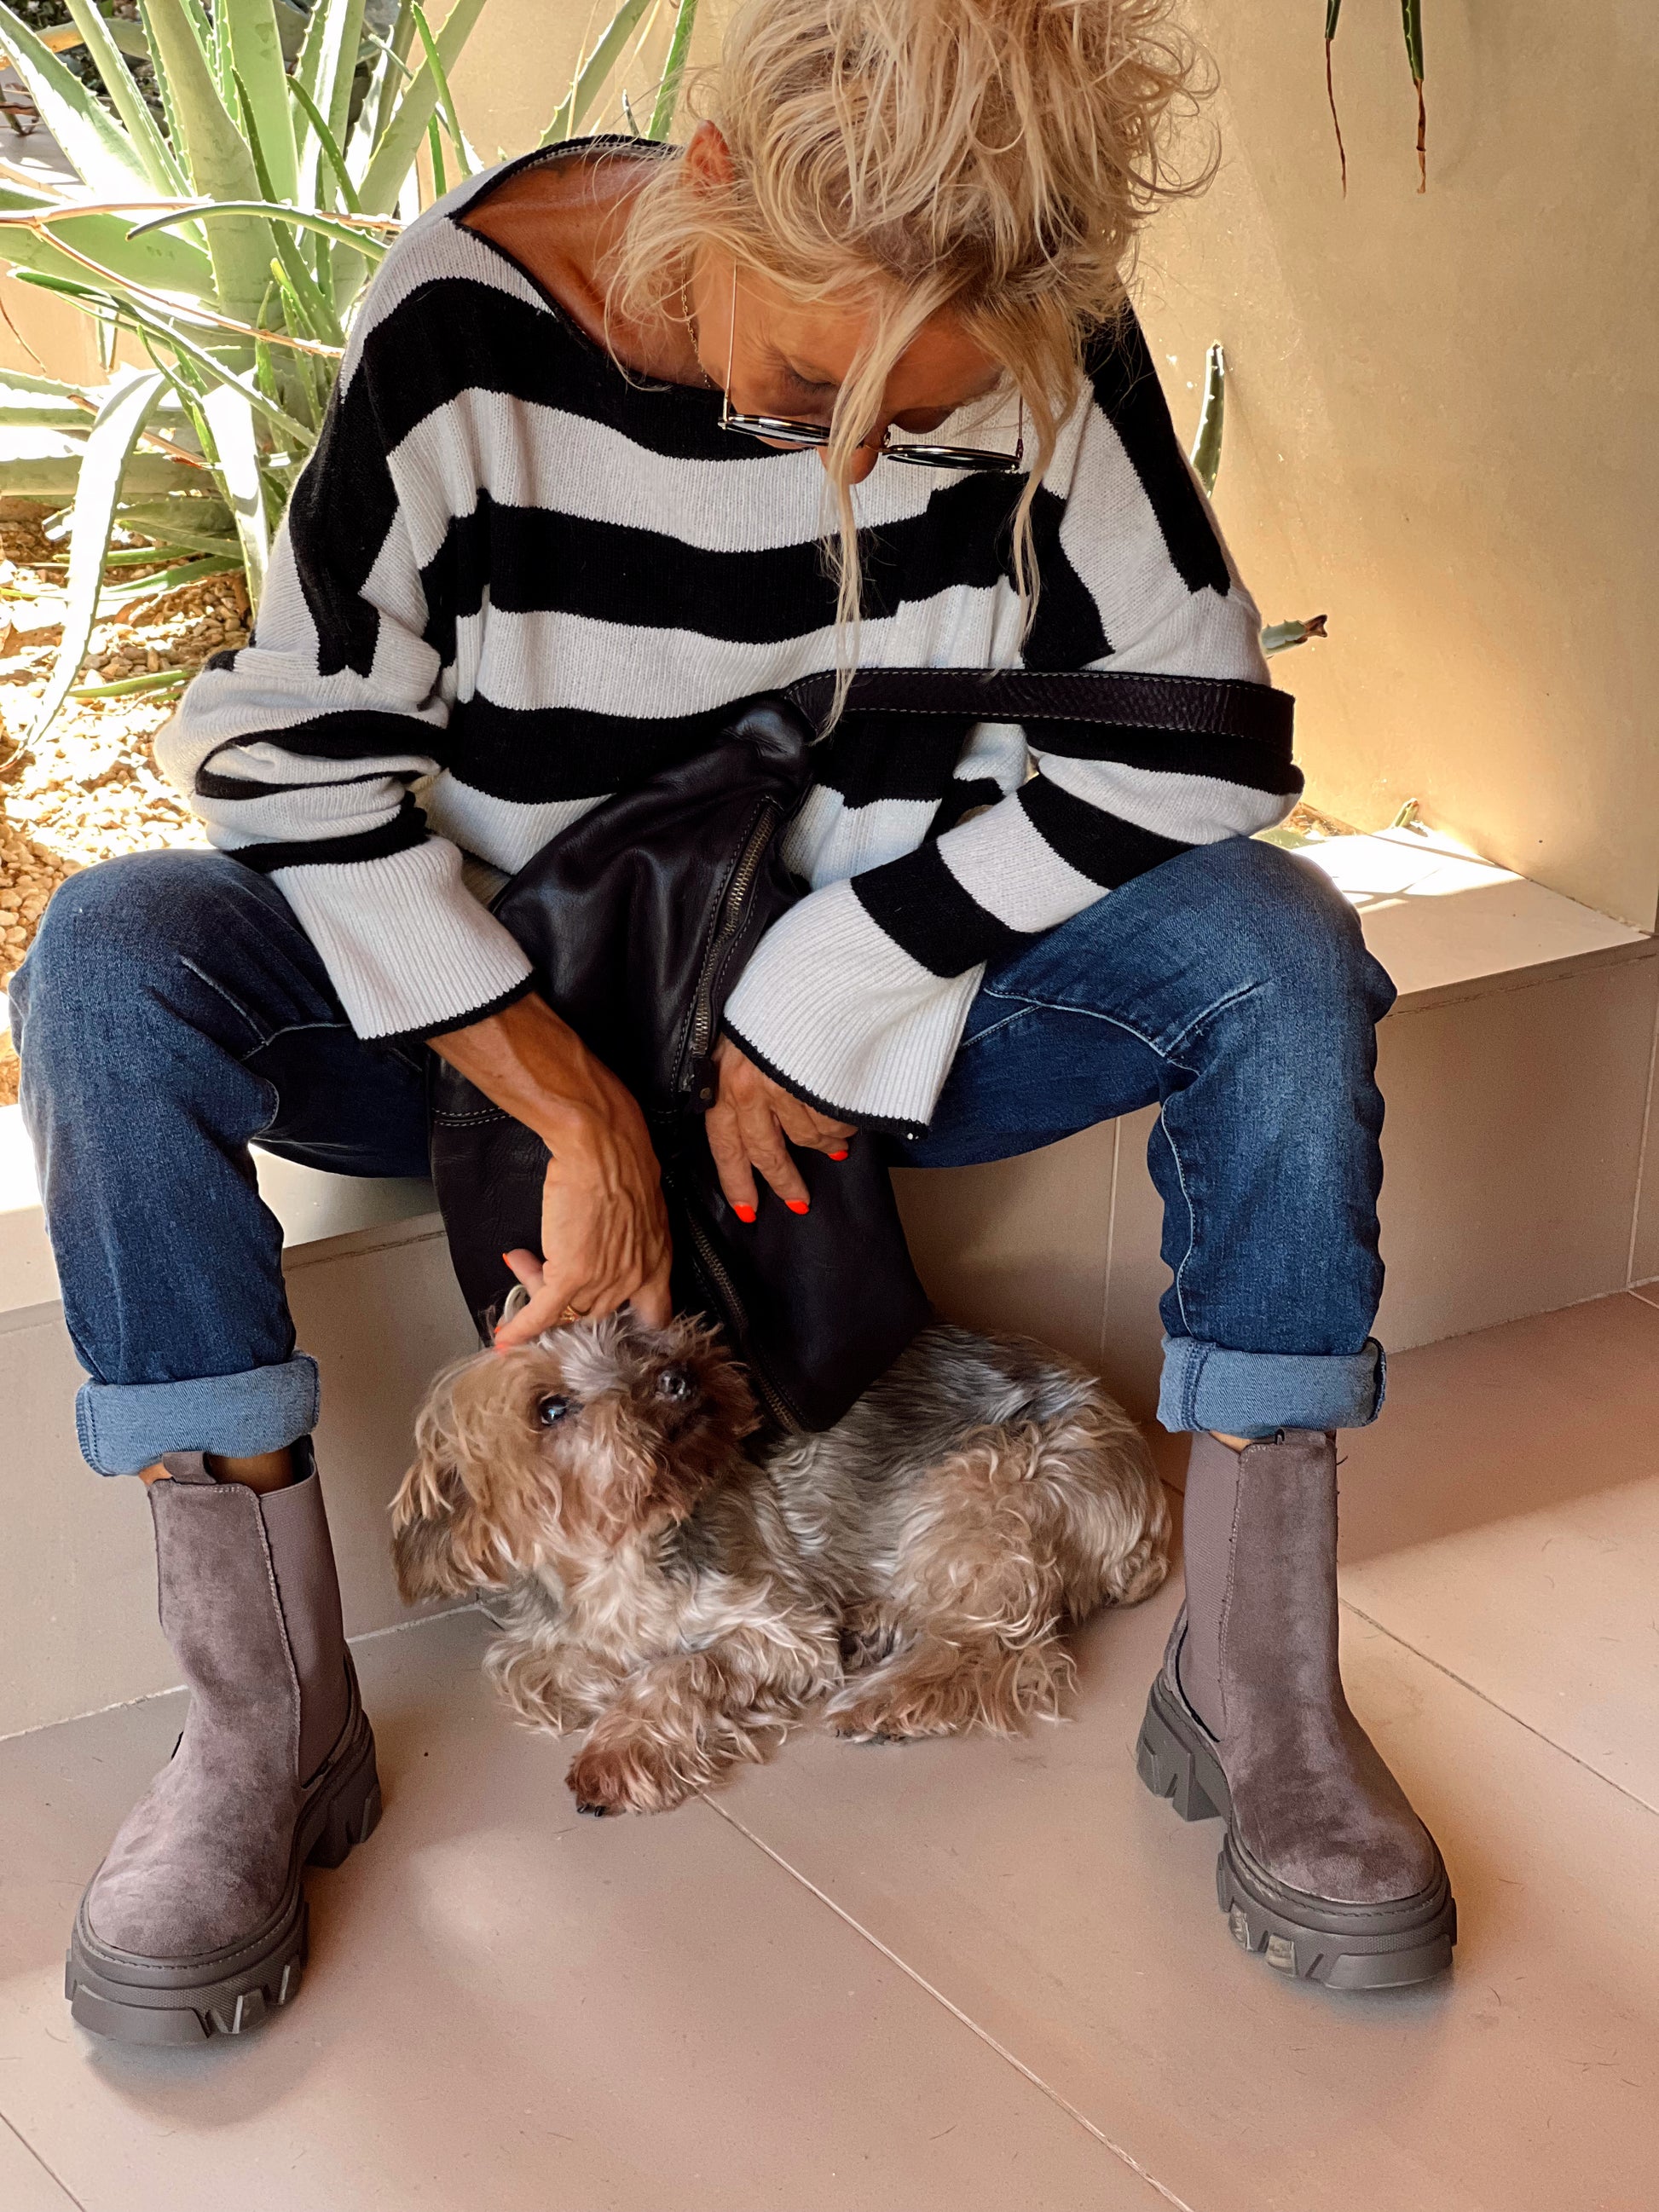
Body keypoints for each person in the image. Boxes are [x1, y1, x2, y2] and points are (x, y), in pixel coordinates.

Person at [11, 0, 1454, 2041]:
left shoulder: (1036, 327)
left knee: (1275, 945)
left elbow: (1206, 736)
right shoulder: (465, 328)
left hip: (850, 1063)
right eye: (801, 389)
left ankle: (1259, 1684)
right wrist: (579, 1110)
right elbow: (289, 757)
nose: (850, 461)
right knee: (108, 960)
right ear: (713, 184)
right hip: (493, 1050)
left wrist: (838, 977)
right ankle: (266, 1721)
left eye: (914, 422)